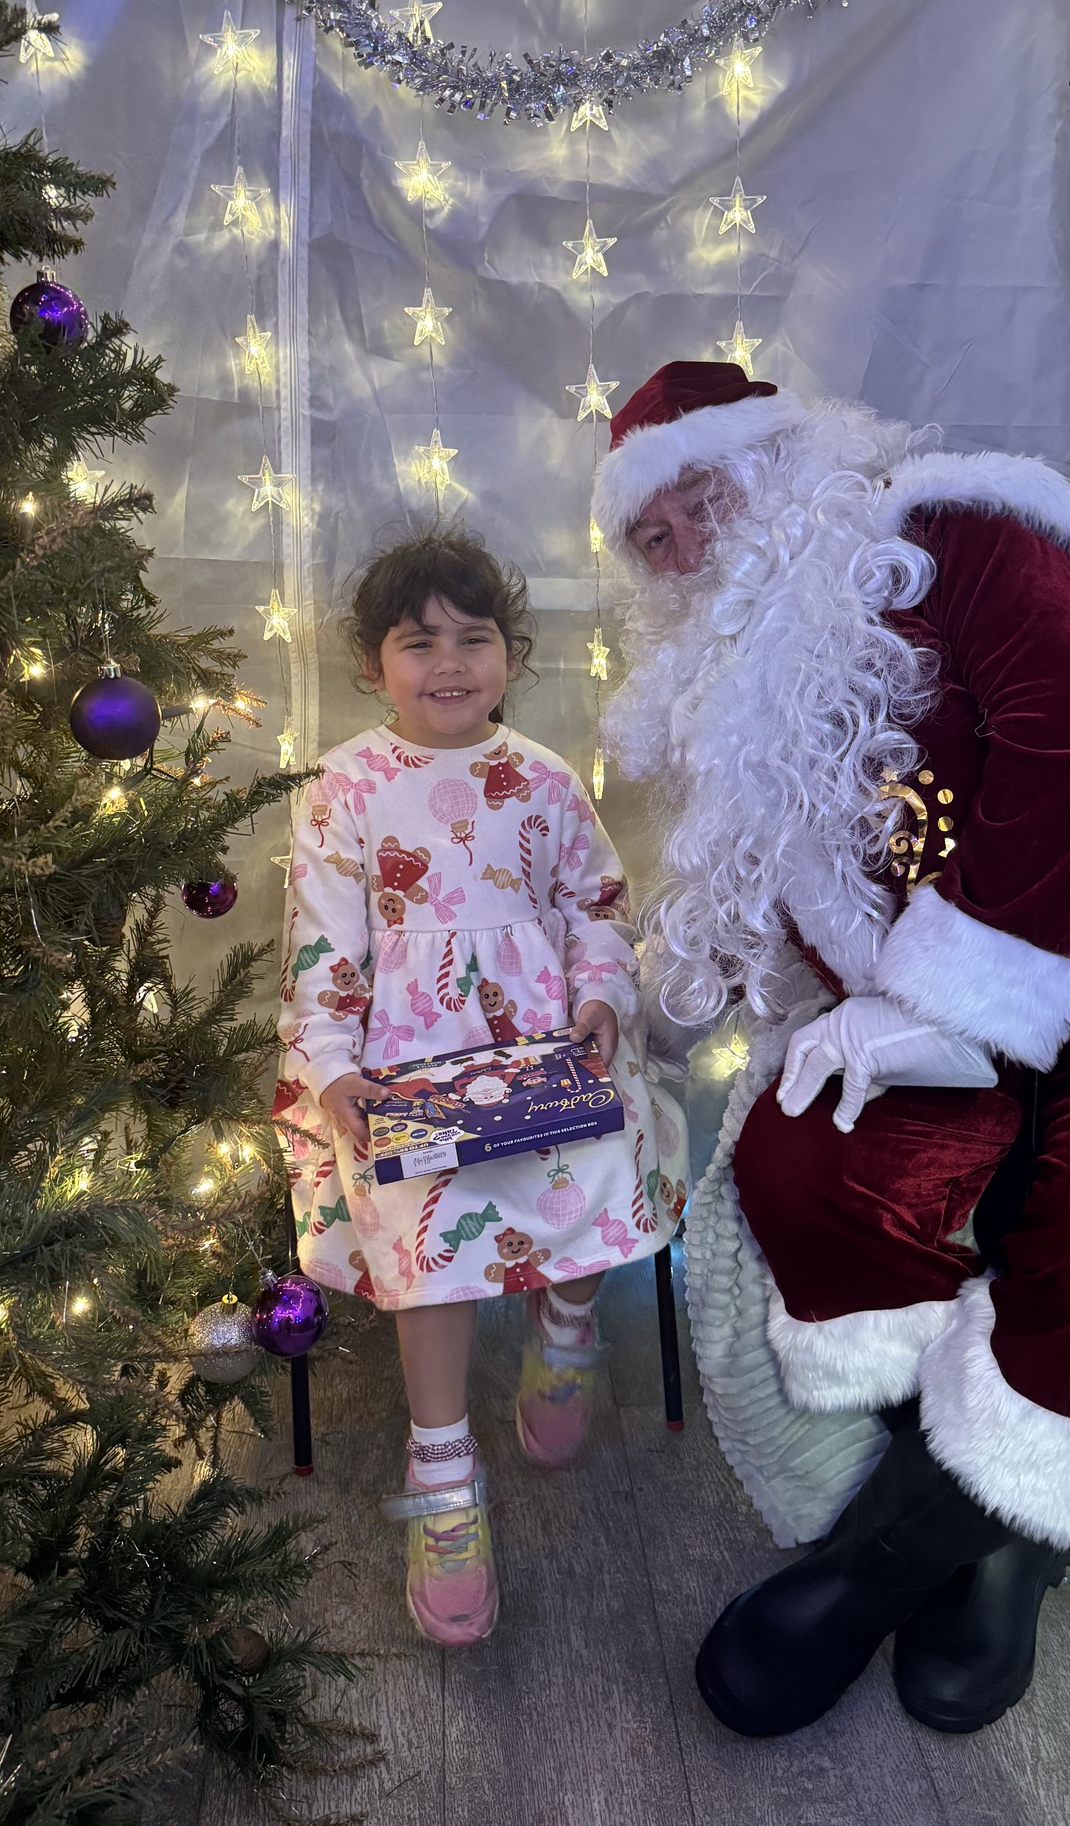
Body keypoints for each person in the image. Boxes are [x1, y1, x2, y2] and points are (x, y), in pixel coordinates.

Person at [591, 360, 1070, 1736]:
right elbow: (813, 907)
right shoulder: (741, 698)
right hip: (950, 1007)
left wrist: (950, 997)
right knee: (804, 1159)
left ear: (783, 459)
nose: (688, 544)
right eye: (654, 537)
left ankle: (906, 1564)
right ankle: (985, 1508)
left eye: (702, 496)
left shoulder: (963, 527)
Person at [272, 528, 688, 1647]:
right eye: (420, 643)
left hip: (548, 1045)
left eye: (474, 637)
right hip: (408, 1062)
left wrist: (601, 997)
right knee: (426, 1228)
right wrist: (334, 1064)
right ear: (375, 663)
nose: (449, 663)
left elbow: (596, 907)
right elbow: (321, 947)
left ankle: (568, 1325)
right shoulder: (343, 789)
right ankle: (444, 1470)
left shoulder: (545, 779)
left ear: (512, 653)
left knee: (598, 1150)